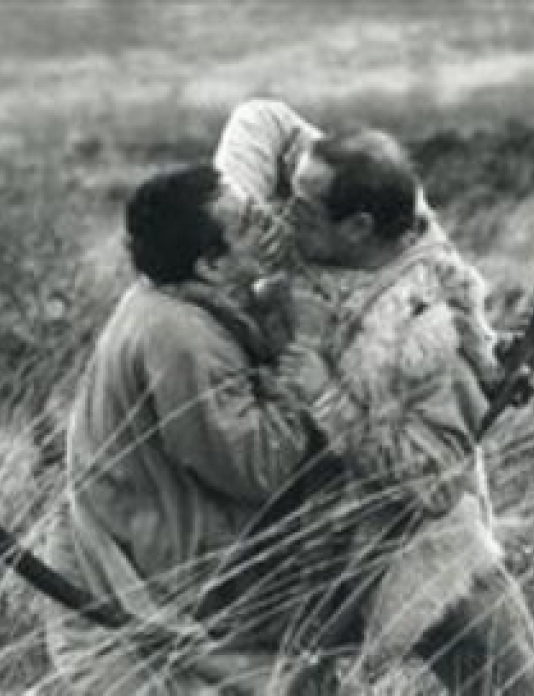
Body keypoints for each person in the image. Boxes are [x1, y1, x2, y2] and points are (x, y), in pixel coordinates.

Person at [211, 98, 534, 694]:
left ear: (359, 228)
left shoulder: (424, 326)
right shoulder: (322, 251)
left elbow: (432, 483)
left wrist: (327, 396)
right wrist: (235, 216)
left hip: (421, 558)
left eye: (304, 209)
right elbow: (261, 119)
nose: (286, 216)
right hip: (309, 555)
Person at [43, 165, 348, 694]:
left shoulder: (172, 300)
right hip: (149, 596)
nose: (268, 220)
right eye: (248, 223)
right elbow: (262, 469)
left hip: (158, 572)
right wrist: (303, 357)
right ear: (210, 265)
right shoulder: (180, 336)